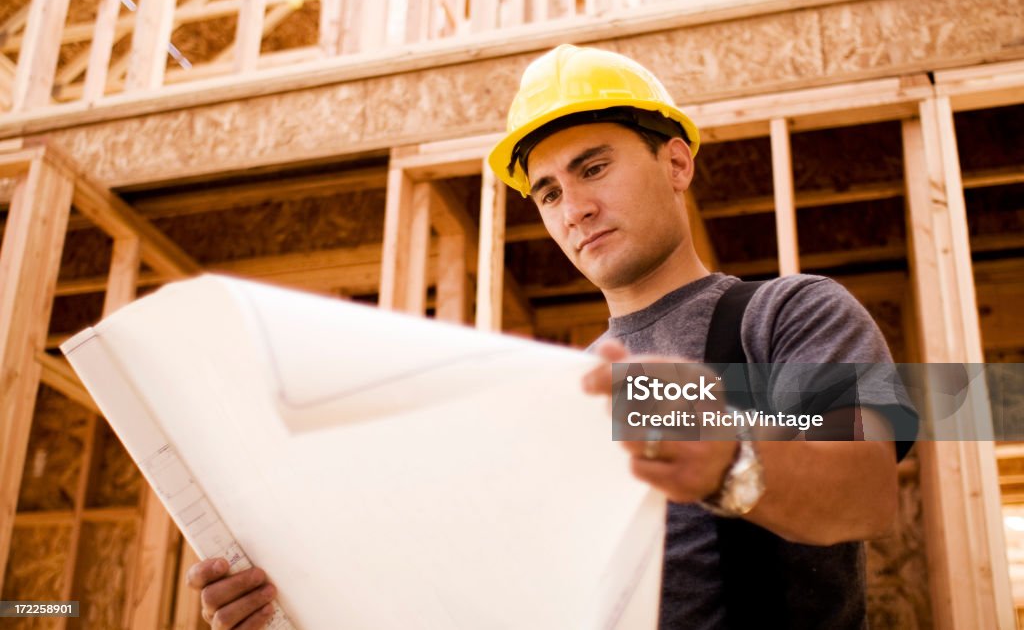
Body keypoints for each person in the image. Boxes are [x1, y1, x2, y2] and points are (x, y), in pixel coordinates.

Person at [188, 44, 914, 629]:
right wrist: (290, 608)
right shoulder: (558, 391)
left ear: (676, 162)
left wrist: (726, 452)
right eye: (550, 192)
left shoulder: (786, 315)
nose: (575, 208)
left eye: (593, 167)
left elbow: (867, 493)